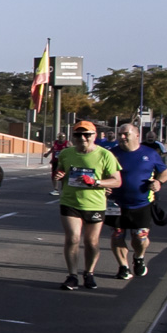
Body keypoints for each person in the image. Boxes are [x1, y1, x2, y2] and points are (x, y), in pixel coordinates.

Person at [52, 119, 122, 291]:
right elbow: (59, 173)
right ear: (73, 136)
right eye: (78, 134)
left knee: (91, 241)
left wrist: (96, 182)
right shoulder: (66, 154)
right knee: (73, 238)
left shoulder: (105, 155)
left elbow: (117, 181)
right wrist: (58, 176)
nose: (82, 138)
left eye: (87, 134)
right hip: (70, 201)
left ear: (94, 136)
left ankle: (89, 273)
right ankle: (72, 275)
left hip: (95, 203)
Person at [108, 121, 167, 280]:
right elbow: (99, 173)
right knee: (117, 235)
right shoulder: (111, 153)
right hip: (116, 203)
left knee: (140, 238)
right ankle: (123, 266)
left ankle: (139, 257)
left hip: (142, 203)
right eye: (120, 134)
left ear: (136, 135)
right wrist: (103, 185)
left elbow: (165, 171)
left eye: (125, 134)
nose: (121, 137)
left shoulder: (150, 153)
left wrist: (158, 182)